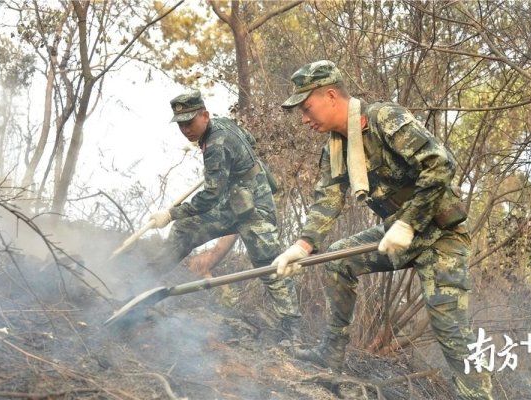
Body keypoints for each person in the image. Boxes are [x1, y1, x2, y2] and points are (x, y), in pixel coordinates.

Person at [272, 60, 493, 399]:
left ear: (330, 96)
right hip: (397, 233)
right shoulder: (335, 147)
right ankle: (331, 351)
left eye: (307, 107)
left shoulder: (383, 118)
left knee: (451, 331)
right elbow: (327, 201)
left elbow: (440, 164)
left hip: (439, 235)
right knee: (336, 262)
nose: (304, 118)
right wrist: (302, 247)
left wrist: (409, 222)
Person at [149, 89, 301, 340]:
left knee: (267, 262)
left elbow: (210, 196)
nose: (185, 129)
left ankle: (291, 327)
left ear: (205, 116)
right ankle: (149, 278)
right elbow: (250, 140)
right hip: (234, 203)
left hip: (256, 207)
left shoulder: (215, 145)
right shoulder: (221, 124)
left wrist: (171, 213)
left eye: (190, 122)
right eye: (181, 125)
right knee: (186, 229)